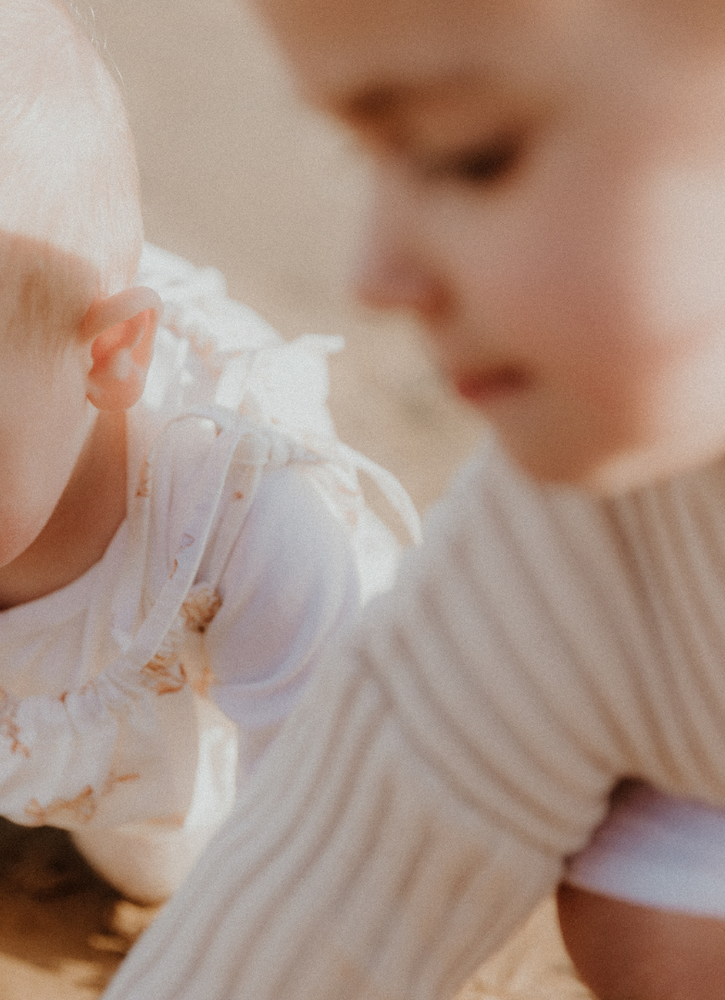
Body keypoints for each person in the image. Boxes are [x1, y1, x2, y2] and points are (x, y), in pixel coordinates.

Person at [0, 1, 418, 998]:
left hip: (156, 713)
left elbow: (321, 792)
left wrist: (243, 956)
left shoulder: (242, 519)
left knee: (165, 863)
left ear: (108, 358)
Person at [101, 2, 725, 999]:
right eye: (367, 159)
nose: (373, 276)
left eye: (467, 156)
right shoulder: (580, 538)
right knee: (657, 909)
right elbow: (333, 880)